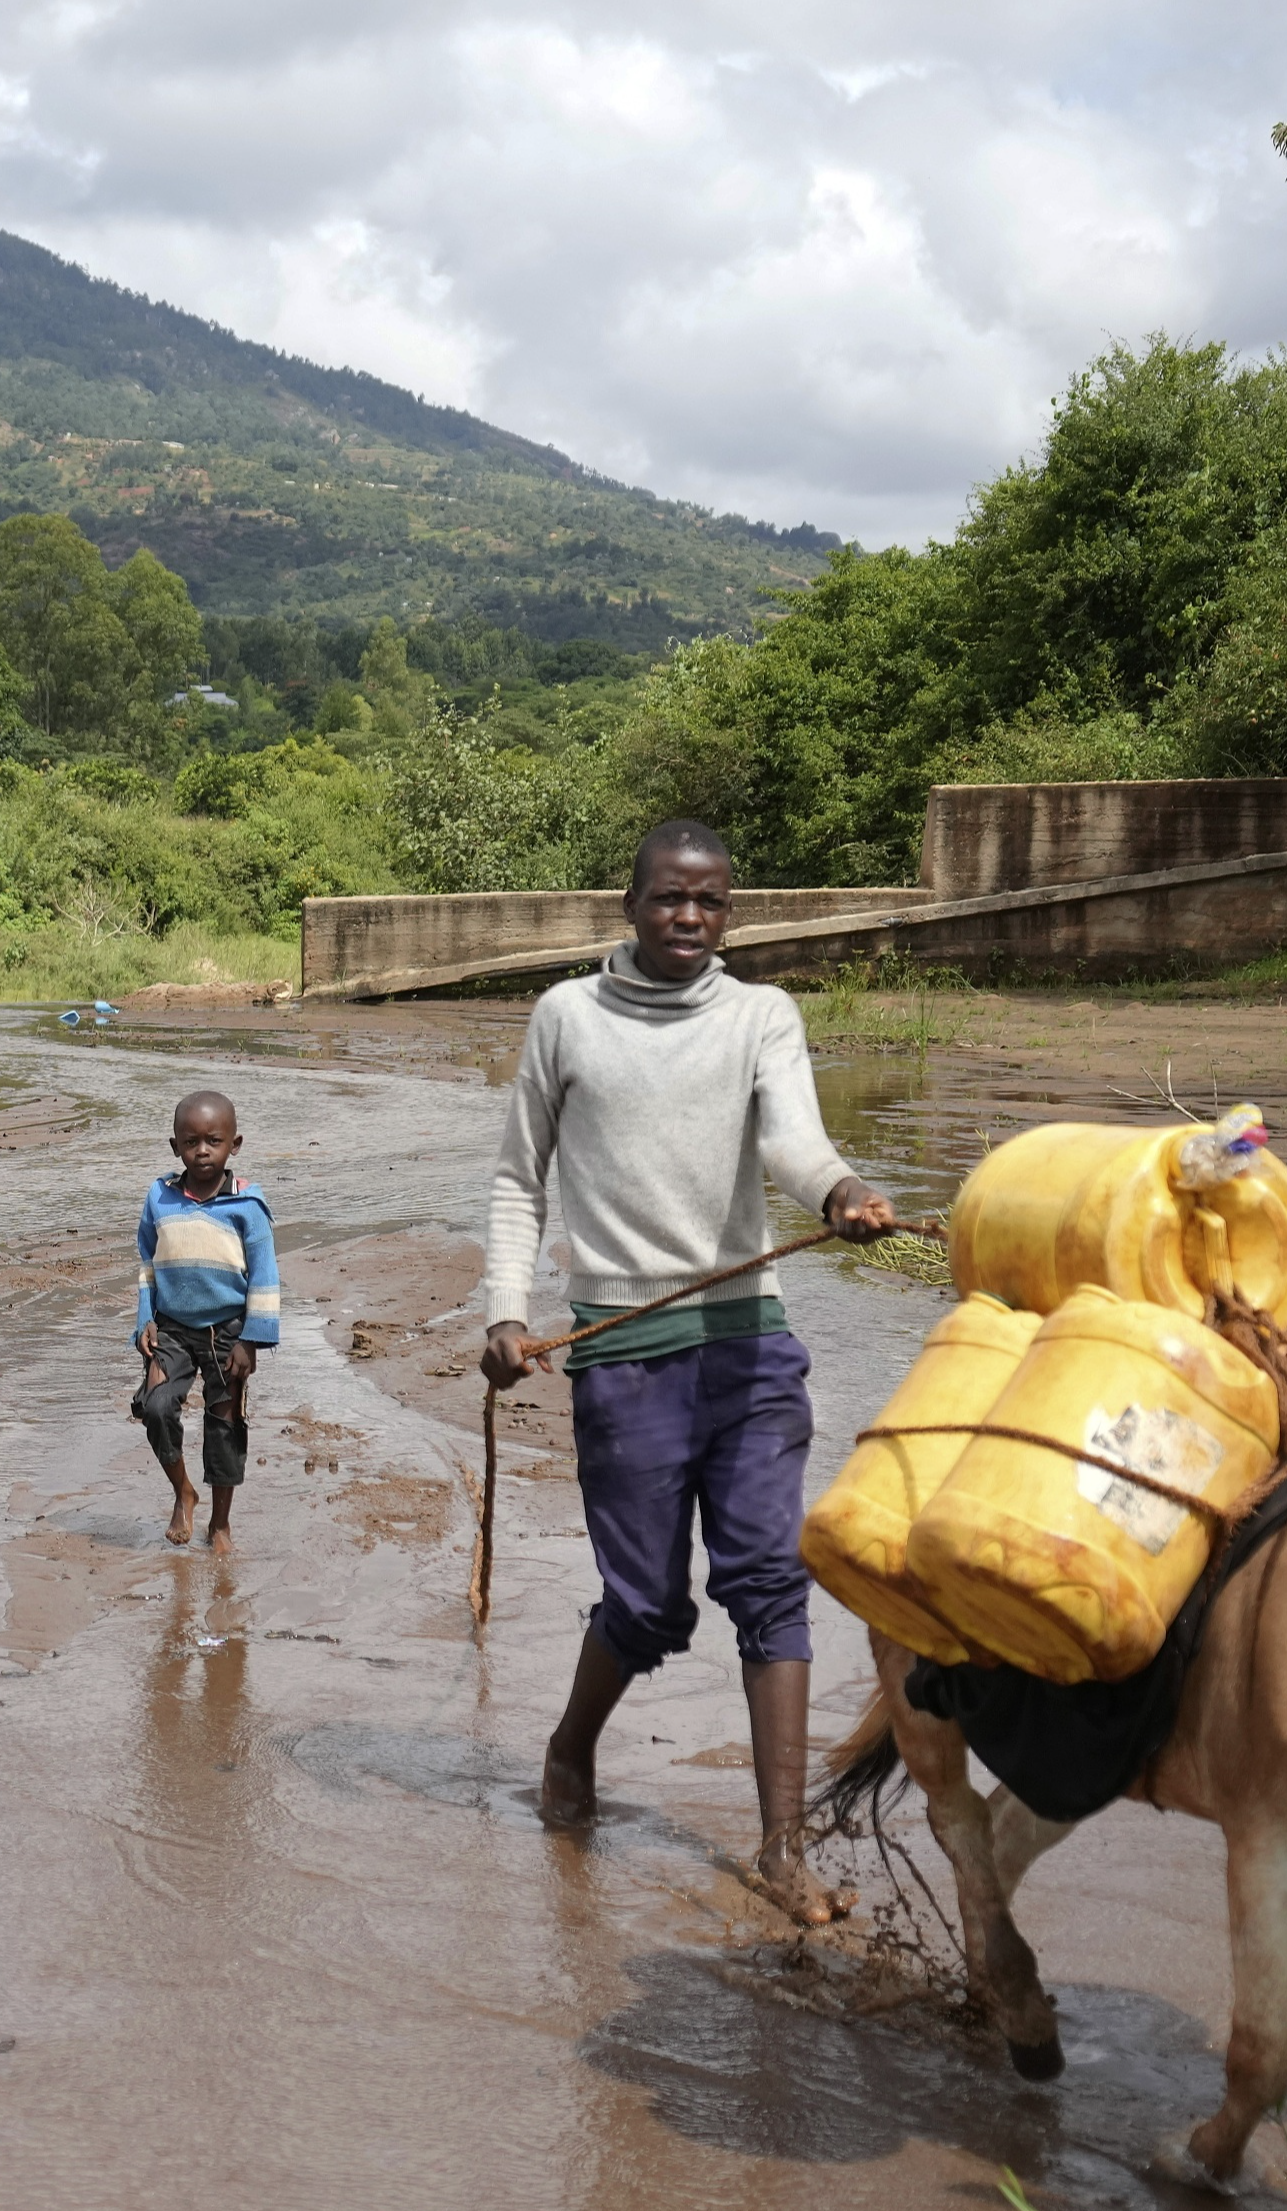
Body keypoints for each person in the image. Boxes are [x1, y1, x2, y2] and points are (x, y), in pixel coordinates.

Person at [478, 818, 895, 1924]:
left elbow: (793, 1143)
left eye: (710, 902)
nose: (689, 919)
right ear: (629, 902)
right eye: (669, 898)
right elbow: (520, 1180)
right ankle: (571, 1744)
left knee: (767, 1579)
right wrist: (506, 1314)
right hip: (621, 1351)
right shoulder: (565, 1016)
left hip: (748, 1345)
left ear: (731, 912)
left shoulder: (761, 1015)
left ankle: (780, 1849)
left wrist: (839, 1190)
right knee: (652, 1606)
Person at [132, 1088, 279, 1554]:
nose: (202, 1151)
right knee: (155, 1409)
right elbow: (146, 1265)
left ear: (234, 1144)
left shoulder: (247, 1205)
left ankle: (219, 1524)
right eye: (190, 1141)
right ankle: (183, 1492)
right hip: (170, 1327)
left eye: (213, 1141)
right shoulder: (160, 1198)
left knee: (225, 1425)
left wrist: (252, 1340)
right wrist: (144, 1322)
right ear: (174, 1146)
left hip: (228, 1334)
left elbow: (265, 1277)